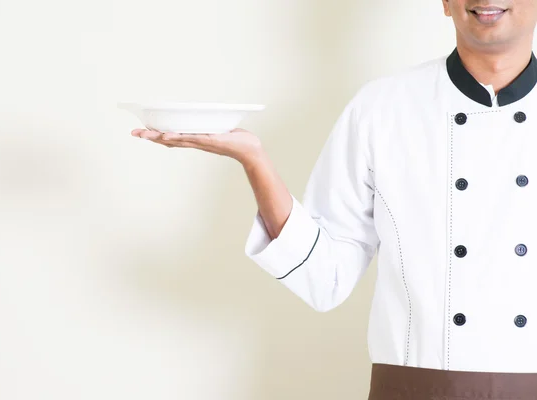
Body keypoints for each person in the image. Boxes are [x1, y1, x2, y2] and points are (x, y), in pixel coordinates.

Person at [131, 1, 537, 398]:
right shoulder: (382, 108)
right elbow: (325, 278)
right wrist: (254, 160)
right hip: (416, 390)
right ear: (446, 3)